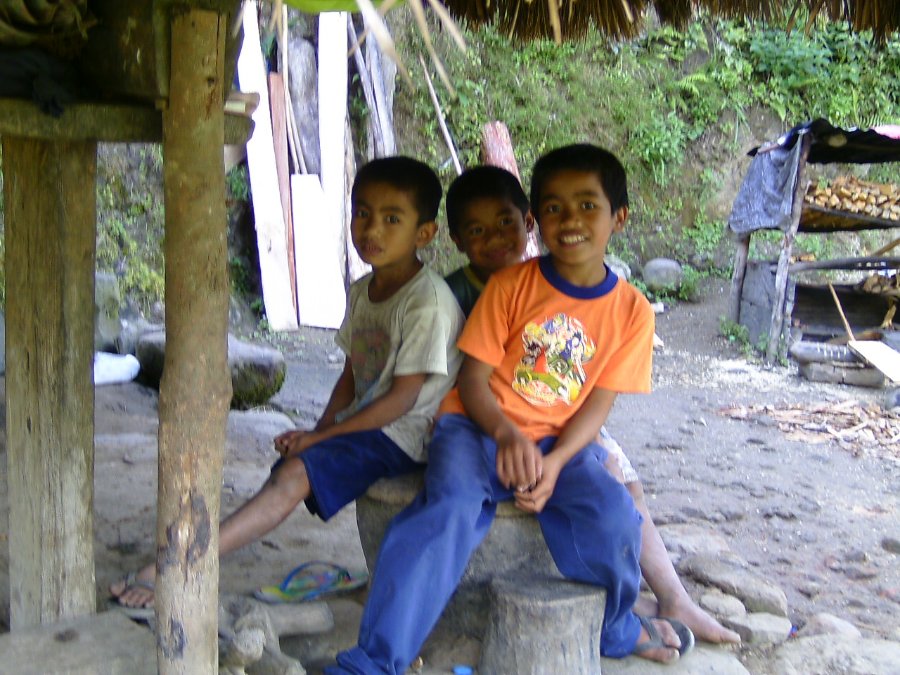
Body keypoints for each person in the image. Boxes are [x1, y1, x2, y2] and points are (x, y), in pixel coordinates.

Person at [330, 144, 697, 674]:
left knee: (615, 515)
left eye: (587, 205)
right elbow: (473, 382)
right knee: (447, 509)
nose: (570, 220)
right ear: (537, 220)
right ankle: (375, 657)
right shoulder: (509, 287)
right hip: (475, 428)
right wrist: (506, 435)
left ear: (618, 217)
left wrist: (555, 462)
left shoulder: (633, 311)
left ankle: (615, 626)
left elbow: (598, 404)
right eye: (554, 207)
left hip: (559, 442)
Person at [110, 156, 465, 611]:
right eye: (362, 213)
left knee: (293, 475)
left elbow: (402, 400)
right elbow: (352, 376)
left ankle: (180, 565)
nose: (372, 229)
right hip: (375, 427)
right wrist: (317, 431)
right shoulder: (364, 291)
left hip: (409, 434)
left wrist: (323, 438)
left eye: (392, 219)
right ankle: (187, 559)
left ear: (425, 234)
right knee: (291, 467)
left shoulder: (426, 302)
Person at [443, 165, 740, 645]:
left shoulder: (579, 286)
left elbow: (594, 390)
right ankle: (642, 599)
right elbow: (463, 376)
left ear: (526, 225)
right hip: (492, 415)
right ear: (457, 239)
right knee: (609, 476)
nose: (495, 239)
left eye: (505, 225)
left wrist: (570, 446)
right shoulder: (466, 291)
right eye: (477, 231)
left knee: (622, 483)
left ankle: (669, 596)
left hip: (563, 414)